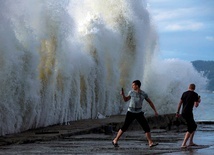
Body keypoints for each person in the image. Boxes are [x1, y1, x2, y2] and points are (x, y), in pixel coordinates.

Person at [112, 80, 159, 147]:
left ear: (137, 86)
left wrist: (155, 111)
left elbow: (150, 102)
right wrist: (123, 95)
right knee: (124, 127)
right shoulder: (131, 92)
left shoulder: (143, 94)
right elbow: (125, 100)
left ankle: (150, 142)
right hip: (130, 112)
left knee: (146, 127)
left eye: (133, 85)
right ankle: (115, 140)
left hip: (139, 113)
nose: (132, 86)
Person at [176, 83, 201, 148]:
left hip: (183, 112)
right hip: (189, 113)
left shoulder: (184, 93)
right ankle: (183, 144)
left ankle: (191, 142)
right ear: (194, 88)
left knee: (194, 126)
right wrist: (198, 101)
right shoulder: (195, 94)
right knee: (191, 128)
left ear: (188, 87)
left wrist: (177, 112)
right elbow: (196, 105)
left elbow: (180, 103)